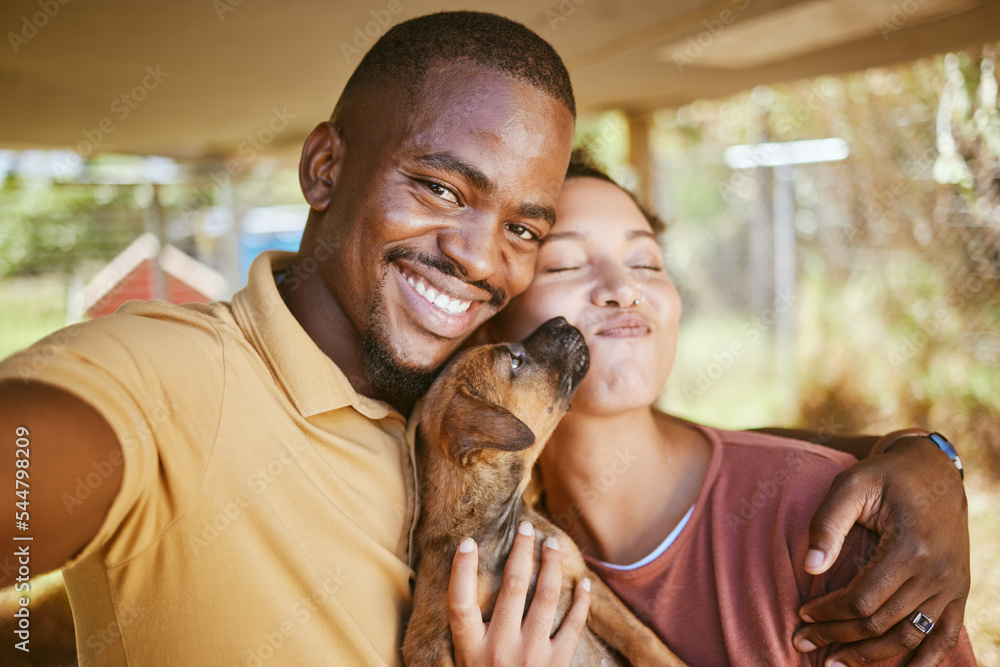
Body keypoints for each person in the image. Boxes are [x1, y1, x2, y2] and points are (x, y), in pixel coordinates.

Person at [0, 11, 969, 666]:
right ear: (326, 166)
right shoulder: (171, 378)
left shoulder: (471, 423)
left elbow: (700, 458)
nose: (475, 255)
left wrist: (923, 457)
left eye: (520, 226)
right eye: (438, 186)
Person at [467, 150, 975, 666]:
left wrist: (934, 456)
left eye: (646, 263)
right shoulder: (497, 571)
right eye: (564, 264)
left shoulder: (826, 524)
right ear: (488, 324)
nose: (625, 289)